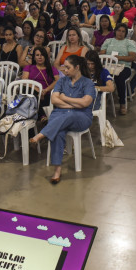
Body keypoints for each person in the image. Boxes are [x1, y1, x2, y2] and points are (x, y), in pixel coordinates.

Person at [29, 54, 95, 184]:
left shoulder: (88, 83)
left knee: (70, 115)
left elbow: (86, 102)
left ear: (77, 67)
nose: (64, 70)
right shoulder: (62, 81)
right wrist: (73, 104)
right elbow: (54, 100)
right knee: (58, 132)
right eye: (64, 67)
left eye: (68, 67)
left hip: (81, 117)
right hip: (60, 114)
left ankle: (40, 135)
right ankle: (57, 171)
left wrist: (65, 98)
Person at [100, 23, 136, 115]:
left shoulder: (129, 42)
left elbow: (132, 57)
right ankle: (98, 102)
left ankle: (122, 103)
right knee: (98, 75)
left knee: (119, 79)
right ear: (115, 31)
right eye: (119, 31)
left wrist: (119, 58)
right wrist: (109, 58)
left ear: (126, 33)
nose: (120, 33)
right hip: (108, 66)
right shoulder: (108, 41)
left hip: (124, 66)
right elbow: (102, 53)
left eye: (123, 31)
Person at [21, 46, 60, 121]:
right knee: (27, 90)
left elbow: (57, 81)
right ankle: (42, 115)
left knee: (29, 99)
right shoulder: (29, 67)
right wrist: (38, 90)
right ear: (34, 57)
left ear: (45, 56)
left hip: (46, 95)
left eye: (42, 55)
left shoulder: (52, 69)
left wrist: (45, 91)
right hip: (32, 93)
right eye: (37, 55)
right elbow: (24, 81)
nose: (40, 57)